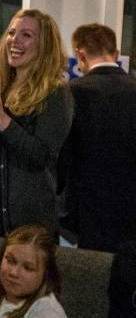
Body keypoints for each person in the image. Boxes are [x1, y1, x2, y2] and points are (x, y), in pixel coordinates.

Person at [0, 9, 73, 237]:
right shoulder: (0, 86)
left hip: (24, 219)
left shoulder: (56, 92)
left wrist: (1, 119)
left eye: (26, 35)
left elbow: (41, 155)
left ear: (45, 45)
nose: (14, 40)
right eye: (12, 32)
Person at [60, 23, 136, 252]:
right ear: (114, 53)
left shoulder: (72, 91)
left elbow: (64, 155)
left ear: (80, 54)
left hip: (87, 210)